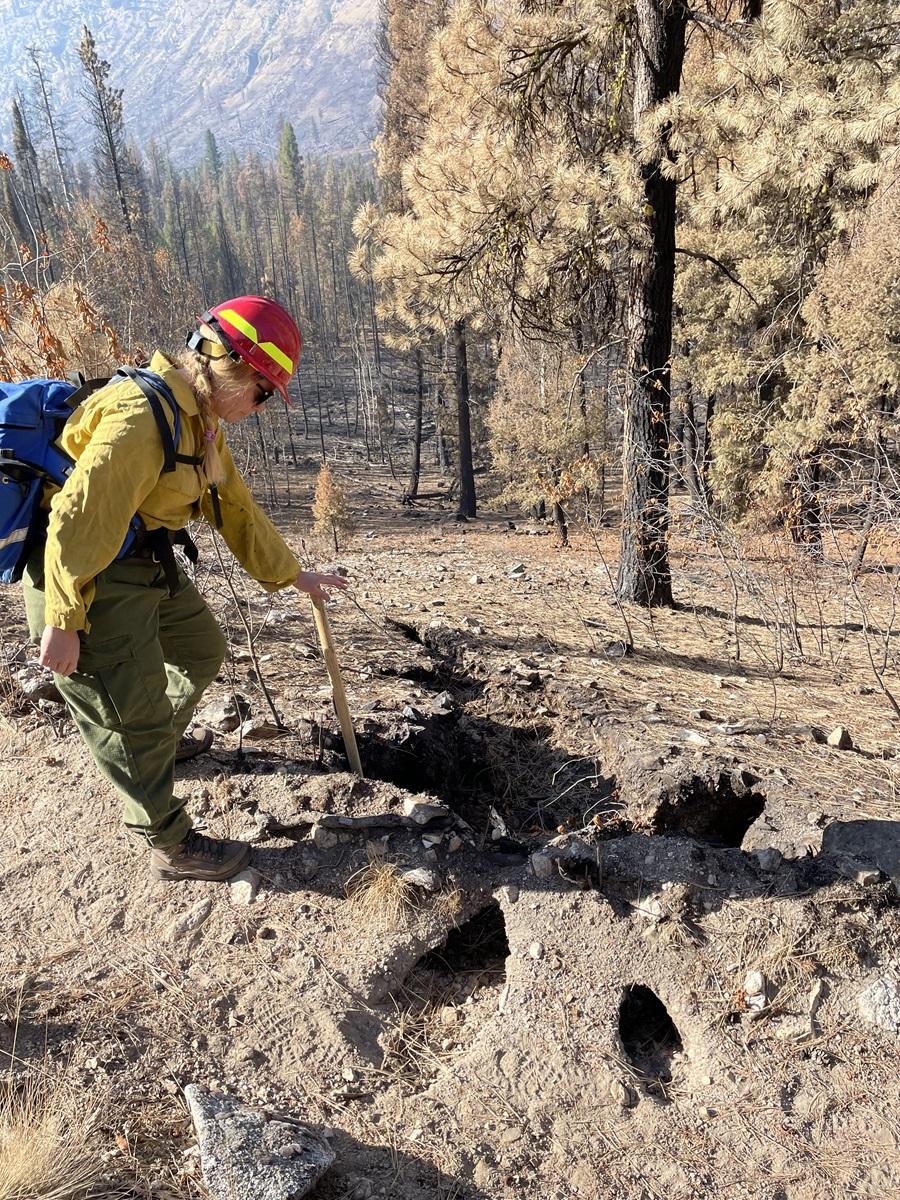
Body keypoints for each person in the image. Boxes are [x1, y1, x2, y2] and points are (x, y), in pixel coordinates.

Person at [21, 295, 346, 882]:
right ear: (233, 370)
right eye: (264, 391)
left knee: (200, 649)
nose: (262, 404)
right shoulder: (141, 418)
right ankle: (170, 843)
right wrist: (64, 621)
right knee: (130, 713)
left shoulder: (198, 421)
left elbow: (235, 508)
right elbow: (77, 518)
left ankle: (154, 752)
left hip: (141, 562)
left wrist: (290, 574)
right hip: (86, 576)